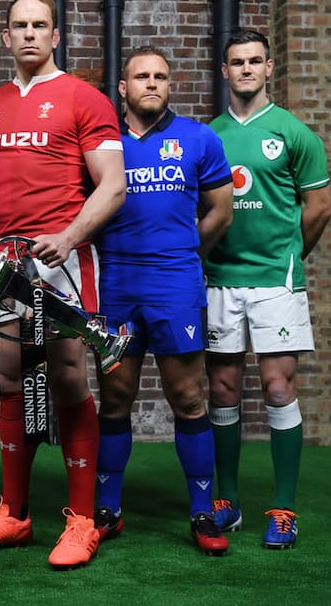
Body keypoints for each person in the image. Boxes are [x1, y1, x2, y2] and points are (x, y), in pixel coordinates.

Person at [0, 0, 127, 570]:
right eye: (19, 26)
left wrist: (71, 236)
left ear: (55, 35)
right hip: (1, 265)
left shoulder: (84, 98)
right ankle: (14, 514)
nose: (29, 34)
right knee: (8, 378)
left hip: (61, 261)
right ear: (6, 37)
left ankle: (82, 521)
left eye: (40, 25)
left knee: (68, 375)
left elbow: (113, 185)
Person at [92, 46, 233, 556]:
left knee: (189, 397)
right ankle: (108, 508)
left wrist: (183, 252)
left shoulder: (199, 138)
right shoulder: (102, 143)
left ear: (169, 85)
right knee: (115, 397)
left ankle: (202, 512)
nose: (152, 83)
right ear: (123, 88)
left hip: (175, 285)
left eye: (161, 76)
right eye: (141, 76)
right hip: (116, 286)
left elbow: (220, 211)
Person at [205, 30, 331, 550]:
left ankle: (283, 510)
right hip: (219, 278)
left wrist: (289, 256)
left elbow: (319, 208)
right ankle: (228, 502)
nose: (246, 69)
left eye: (254, 61)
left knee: (278, 388)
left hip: (275, 282)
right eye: (237, 62)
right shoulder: (209, 136)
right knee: (222, 390)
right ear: (225, 70)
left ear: (269, 67)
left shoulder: (294, 132)